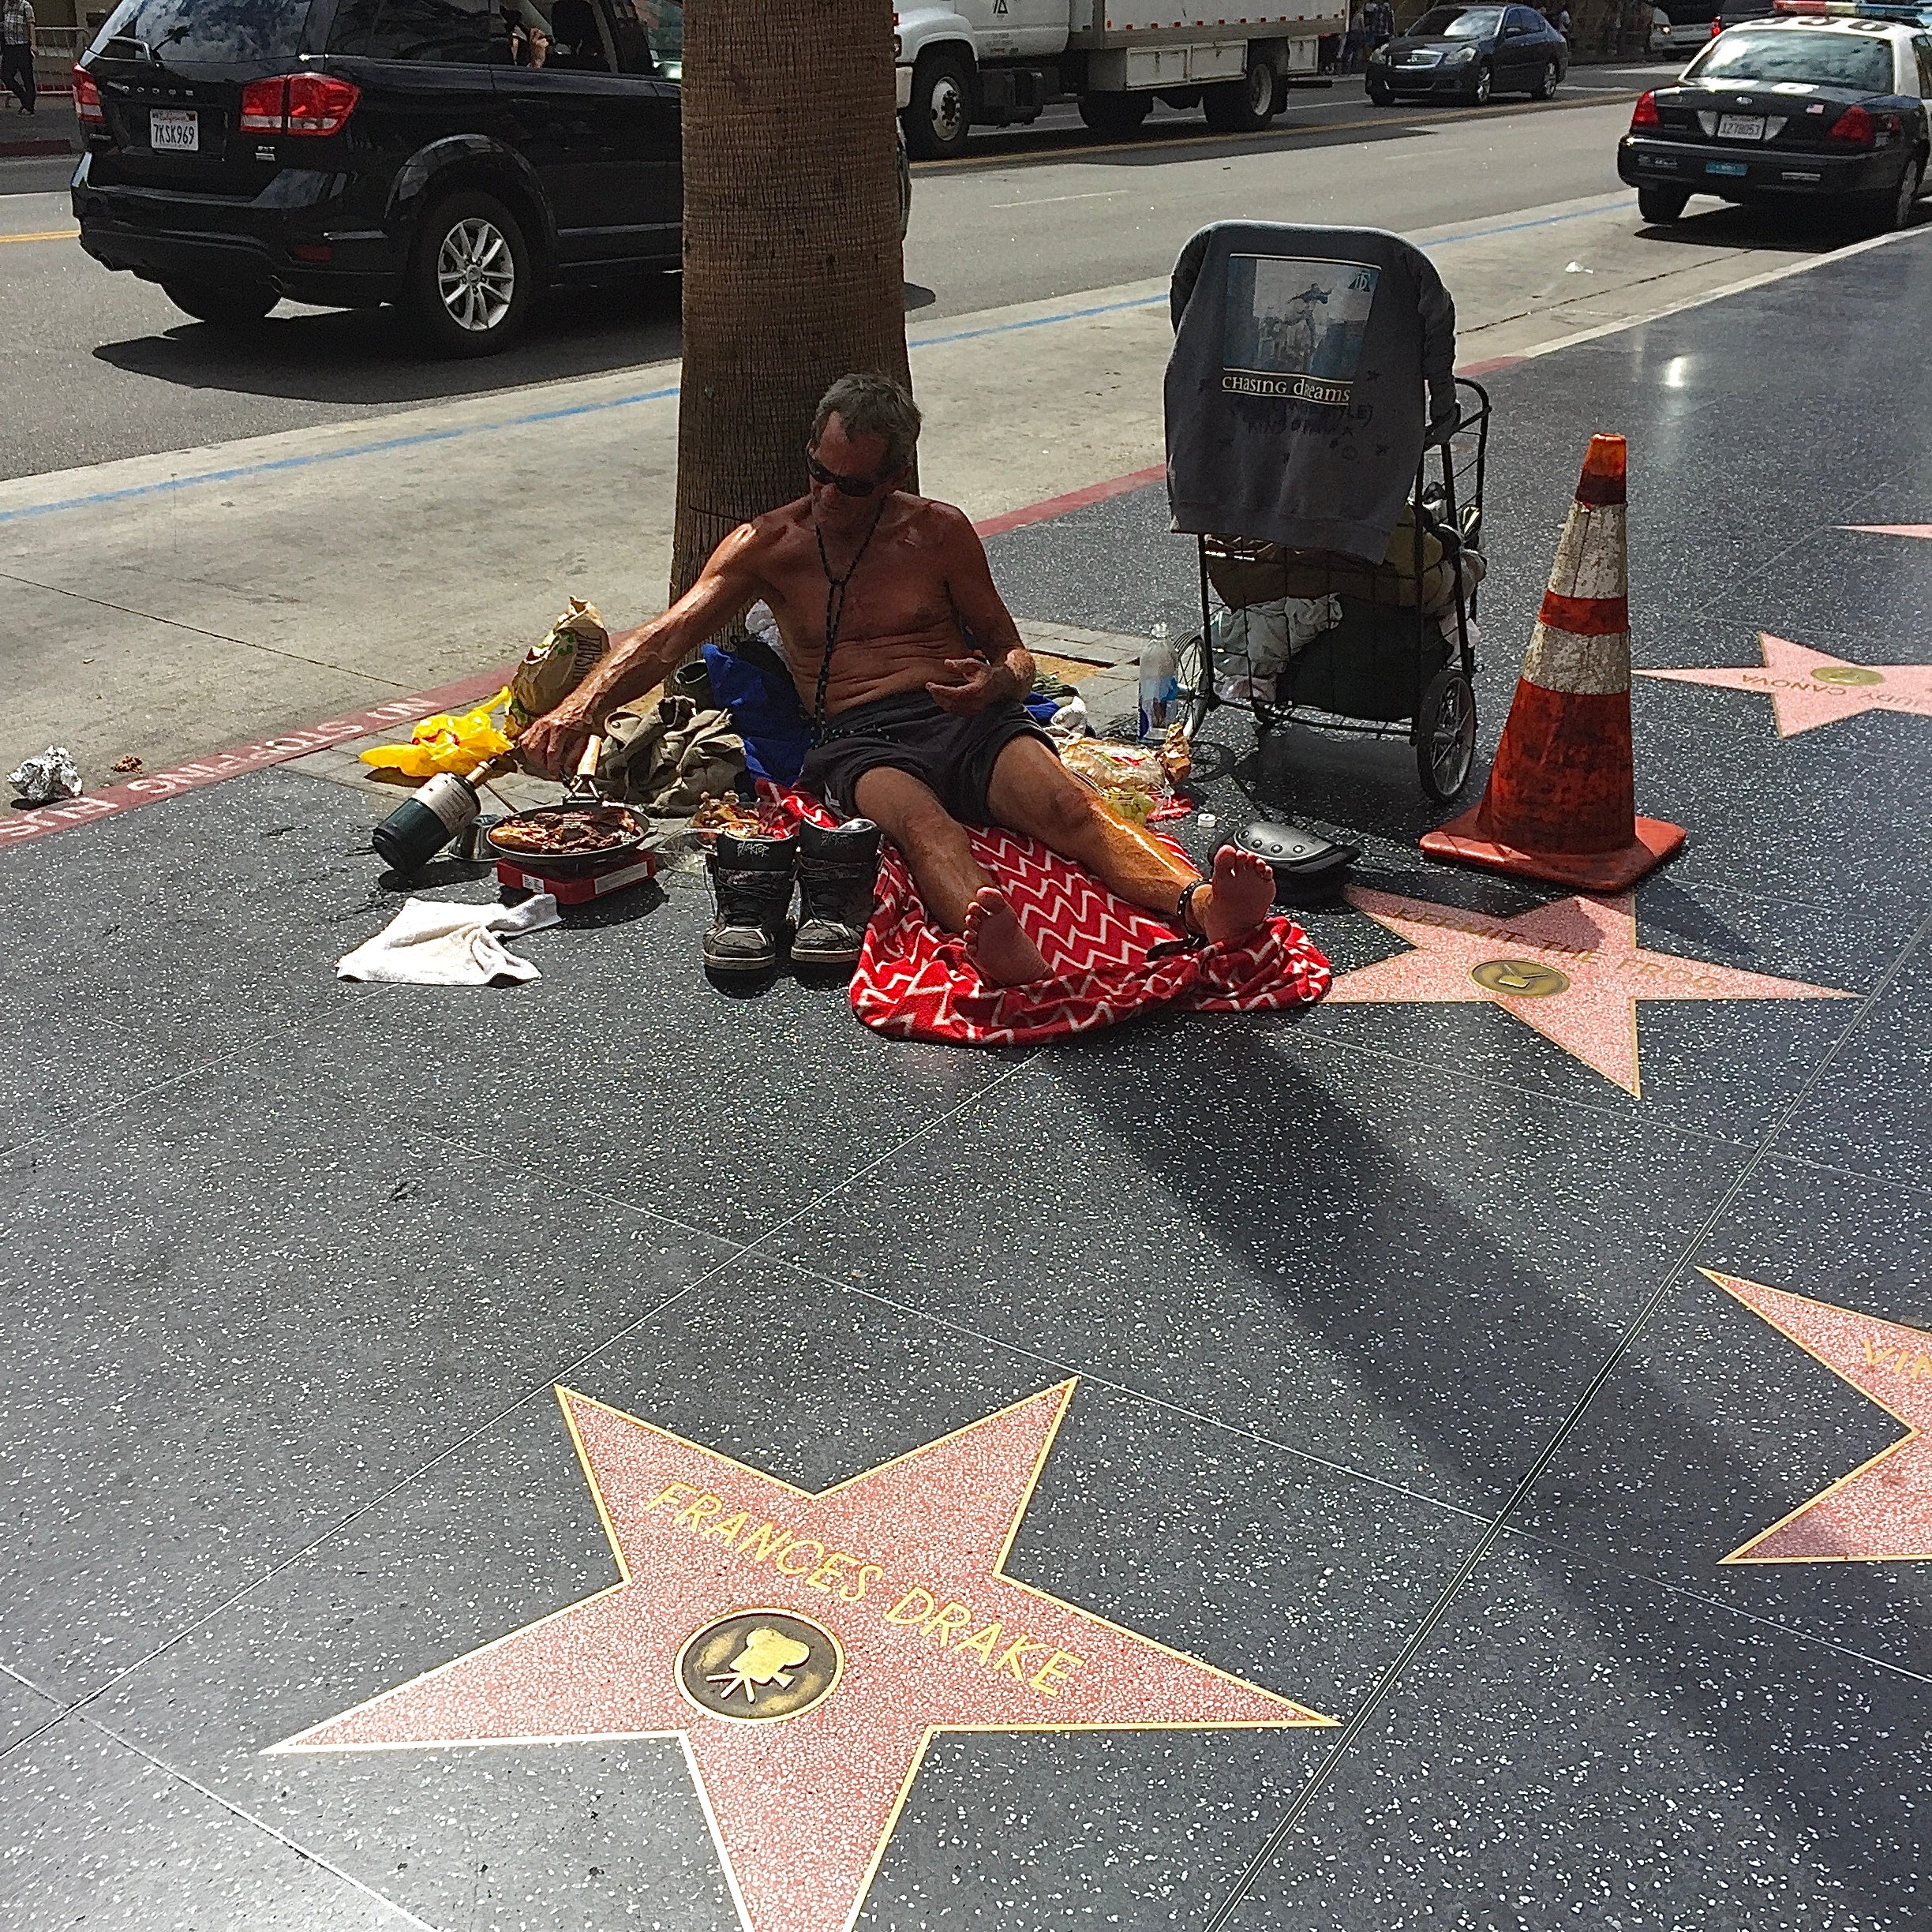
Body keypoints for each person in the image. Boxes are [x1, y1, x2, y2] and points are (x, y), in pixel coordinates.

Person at [519, 373, 1278, 986]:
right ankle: (996, 936)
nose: (826, 497)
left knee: (1070, 809)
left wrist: (996, 686)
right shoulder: (767, 544)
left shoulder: (938, 532)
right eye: (818, 473)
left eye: (850, 486)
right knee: (923, 827)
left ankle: (1201, 904)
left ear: (893, 476)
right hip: (859, 738)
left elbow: (1015, 655)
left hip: (965, 717)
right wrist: (582, 706)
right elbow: (665, 636)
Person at [0, 0, 36, 117]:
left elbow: (31, 25)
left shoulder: (25, 6)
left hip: (22, 46)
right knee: (6, 75)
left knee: (27, 77)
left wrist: (33, 44)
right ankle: (25, 99)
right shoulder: (6, 5)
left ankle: (29, 106)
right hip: (9, 47)